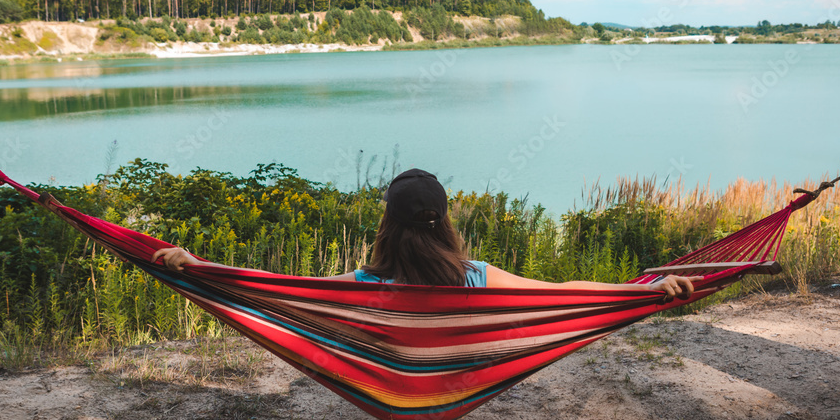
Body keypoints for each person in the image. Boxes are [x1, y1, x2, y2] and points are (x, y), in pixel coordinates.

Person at [151, 168, 700, 298]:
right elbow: (557, 294)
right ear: (446, 220)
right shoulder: (476, 278)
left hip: (390, 381)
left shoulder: (363, 284)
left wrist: (197, 266)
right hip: (459, 377)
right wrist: (641, 290)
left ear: (386, 222)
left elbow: (282, 287)